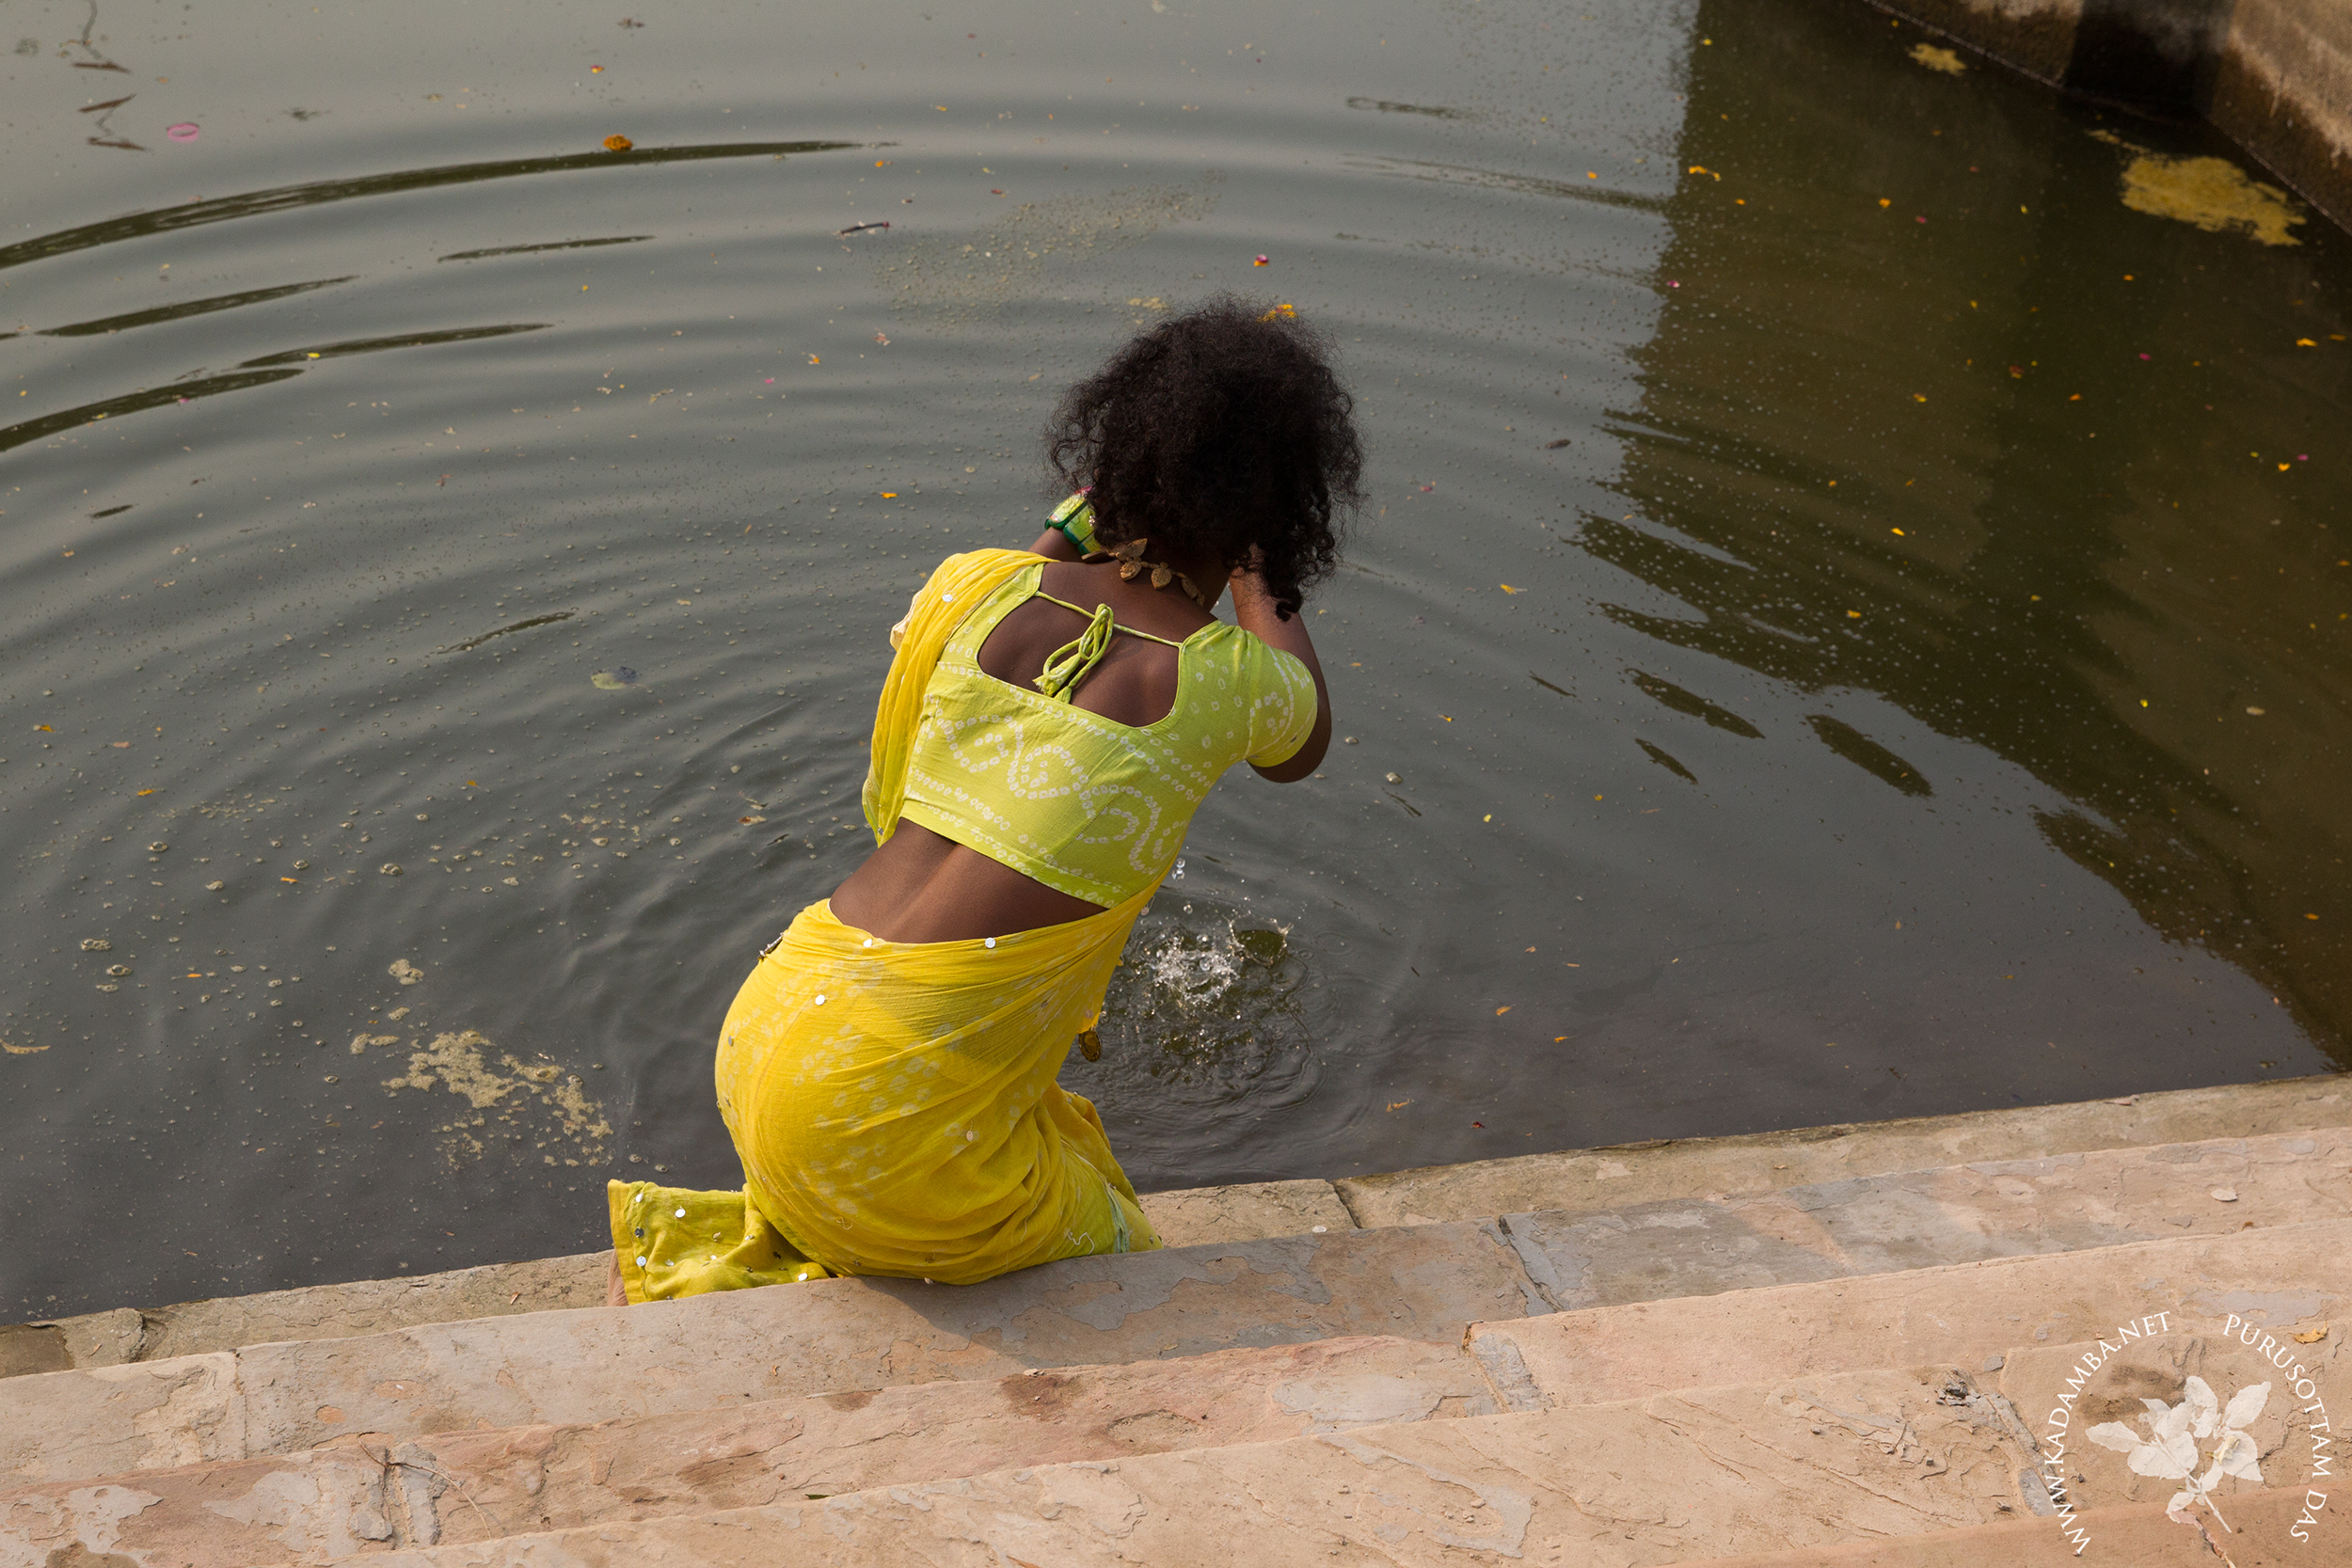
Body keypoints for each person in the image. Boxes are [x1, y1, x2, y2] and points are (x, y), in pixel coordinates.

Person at [606, 296, 1359, 1303]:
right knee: (1128, 1274)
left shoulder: (973, 587)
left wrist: (1076, 524)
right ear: (1286, 508)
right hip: (875, 1119)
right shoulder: (1226, 679)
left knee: (1055, 1134)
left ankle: (826, 1203)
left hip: (771, 1030)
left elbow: (1025, 576)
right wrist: (1265, 569)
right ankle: (858, 1209)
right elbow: (1302, 741)